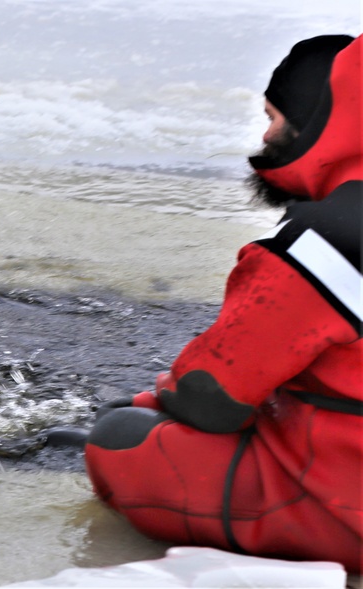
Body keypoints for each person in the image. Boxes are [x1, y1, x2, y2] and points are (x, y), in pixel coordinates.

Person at [83, 35, 361, 571]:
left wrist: (150, 402)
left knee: (118, 434)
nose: (265, 135)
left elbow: (209, 397)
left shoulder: (329, 238)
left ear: (332, 116)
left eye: (274, 117)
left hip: (342, 507)